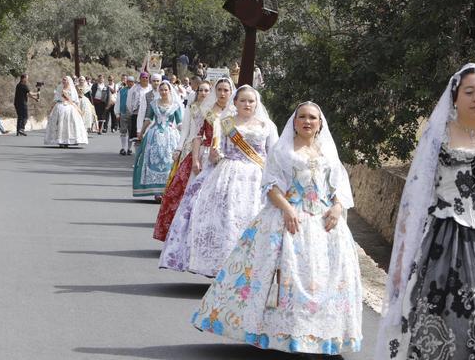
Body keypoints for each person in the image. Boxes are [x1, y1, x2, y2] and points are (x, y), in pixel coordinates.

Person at [193, 101, 362, 355]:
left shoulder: (328, 152)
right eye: (302, 117)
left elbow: (339, 186)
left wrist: (337, 208)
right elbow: (270, 185)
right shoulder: (282, 151)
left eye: (312, 118)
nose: (307, 121)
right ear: (294, 122)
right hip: (288, 218)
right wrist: (288, 209)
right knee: (284, 278)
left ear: (320, 124)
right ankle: (283, 334)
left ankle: (318, 335)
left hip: (324, 223)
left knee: (324, 279)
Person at [378, 64, 475, 360]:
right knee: (448, 320)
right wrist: (403, 256)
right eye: (469, 92)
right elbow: (415, 197)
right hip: (446, 243)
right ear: (455, 97)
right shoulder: (439, 137)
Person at [159, 85, 277, 276]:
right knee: (224, 219)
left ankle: (250, 267)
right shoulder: (225, 123)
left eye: (251, 101)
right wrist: (214, 155)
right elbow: (217, 150)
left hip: (256, 176)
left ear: (257, 103)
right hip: (227, 174)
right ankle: (220, 266)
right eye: (243, 100)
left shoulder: (267, 125)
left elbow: (273, 153)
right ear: (235, 103)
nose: (247, 104)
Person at [153, 78, 233, 241]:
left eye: (226, 90)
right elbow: (197, 135)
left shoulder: (234, 112)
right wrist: (194, 159)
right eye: (219, 90)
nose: (222, 93)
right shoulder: (206, 111)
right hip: (203, 155)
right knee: (190, 195)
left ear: (231, 92)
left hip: (226, 159)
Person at [132, 81, 183, 199]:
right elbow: (148, 119)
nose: (163, 92)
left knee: (169, 161)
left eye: (166, 90)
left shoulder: (175, 105)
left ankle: (167, 190)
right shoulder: (154, 104)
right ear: (158, 91)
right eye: (161, 90)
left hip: (171, 136)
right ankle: (156, 191)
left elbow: (179, 123)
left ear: (169, 91)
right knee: (152, 160)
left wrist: (185, 135)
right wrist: (142, 132)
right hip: (154, 135)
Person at [44, 76, 89, 147]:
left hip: (70, 106)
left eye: (65, 80)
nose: (63, 81)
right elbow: (56, 98)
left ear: (68, 81)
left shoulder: (72, 89)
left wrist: (76, 107)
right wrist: (52, 107)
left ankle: (70, 140)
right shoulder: (59, 88)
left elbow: (74, 100)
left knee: (71, 123)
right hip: (60, 105)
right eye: (63, 80)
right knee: (60, 124)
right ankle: (60, 140)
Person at [114, 76, 135, 155]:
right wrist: (117, 113)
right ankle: (123, 148)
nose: (130, 83)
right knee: (123, 131)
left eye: (132, 82)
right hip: (123, 112)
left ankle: (129, 148)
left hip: (133, 113)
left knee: (131, 132)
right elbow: (118, 102)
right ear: (127, 82)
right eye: (129, 81)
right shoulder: (122, 91)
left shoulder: (136, 91)